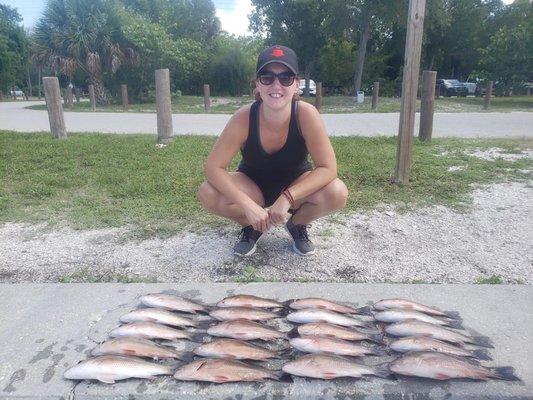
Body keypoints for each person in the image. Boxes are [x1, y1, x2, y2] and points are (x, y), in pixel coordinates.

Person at [197, 45, 348, 256]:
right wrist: (248, 206)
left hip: (296, 185)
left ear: (296, 84)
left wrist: (287, 198)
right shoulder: (243, 117)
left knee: (337, 192)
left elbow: (328, 168)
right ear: (257, 84)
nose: (276, 85)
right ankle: (252, 226)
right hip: (252, 186)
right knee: (208, 192)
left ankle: (297, 224)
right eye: (267, 77)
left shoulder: (306, 114)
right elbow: (213, 168)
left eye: (285, 78)